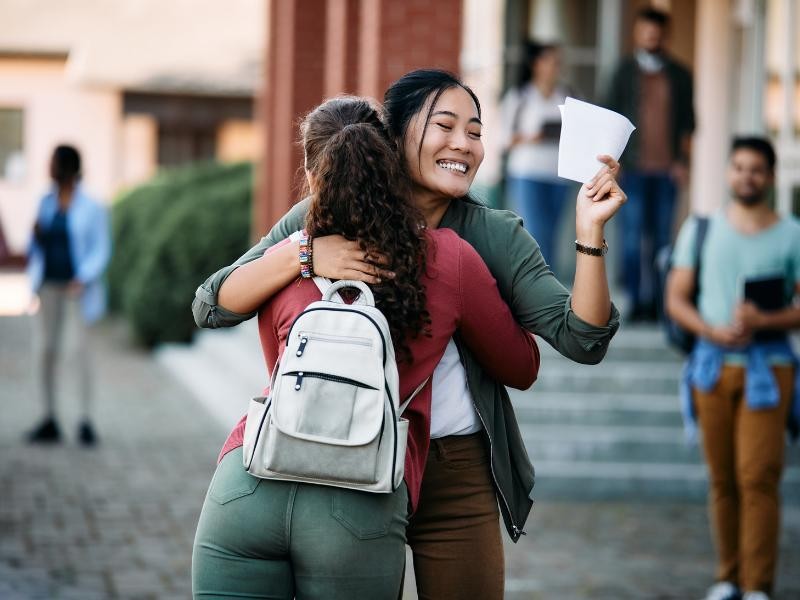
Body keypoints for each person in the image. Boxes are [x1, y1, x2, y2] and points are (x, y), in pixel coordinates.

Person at [193, 69, 625, 599]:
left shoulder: (492, 234)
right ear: (392, 137)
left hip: (455, 469)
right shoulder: (321, 216)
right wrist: (305, 254)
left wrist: (589, 233)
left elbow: (581, 336)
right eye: (445, 126)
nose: (464, 145)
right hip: (348, 459)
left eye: (476, 131)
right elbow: (212, 302)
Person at [666, 137, 800, 600]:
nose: (747, 176)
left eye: (756, 169)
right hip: (711, 366)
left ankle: (758, 585)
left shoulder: (792, 234)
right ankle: (728, 578)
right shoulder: (702, 229)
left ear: (770, 176)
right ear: (728, 172)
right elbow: (676, 298)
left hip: (771, 368)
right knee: (723, 479)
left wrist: (768, 319)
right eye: (739, 167)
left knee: (758, 477)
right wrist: (710, 330)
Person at [606, 7, 695, 321]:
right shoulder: (623, 72)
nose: (651, 36)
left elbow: (688, 125)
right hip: (632, 170)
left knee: (662, 239)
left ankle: (659, 302)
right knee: (632, 239)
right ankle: (634, 300)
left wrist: (683, 162)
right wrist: (615, 163)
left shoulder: (681, 75)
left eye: (657, 32)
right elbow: (611, 121)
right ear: (637, 33)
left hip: (667, 171)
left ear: (665, 35)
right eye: (646, 30)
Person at [26, 145, 111, 446]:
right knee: (45, 351)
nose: (48, 168)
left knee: (79, 353)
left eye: (52, 162)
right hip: (47, 285)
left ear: (66, 167)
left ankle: (85, 420)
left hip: (77, 289)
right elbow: (35, 246)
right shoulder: (45, 202)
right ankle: (49, 417)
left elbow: (101, 249)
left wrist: (84, 276)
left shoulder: (93, 206)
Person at [500, 40, 571, 271]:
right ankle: (533, 283)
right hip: (527, 173)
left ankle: (549, 286)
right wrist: (534, 137)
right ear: (536, 64)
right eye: (549, 60)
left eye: (557, 61)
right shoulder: (520, 96)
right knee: (534, 232)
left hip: (558, 175)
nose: (555, 66)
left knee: (552, 233)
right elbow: (503, 140)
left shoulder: (567, 95)